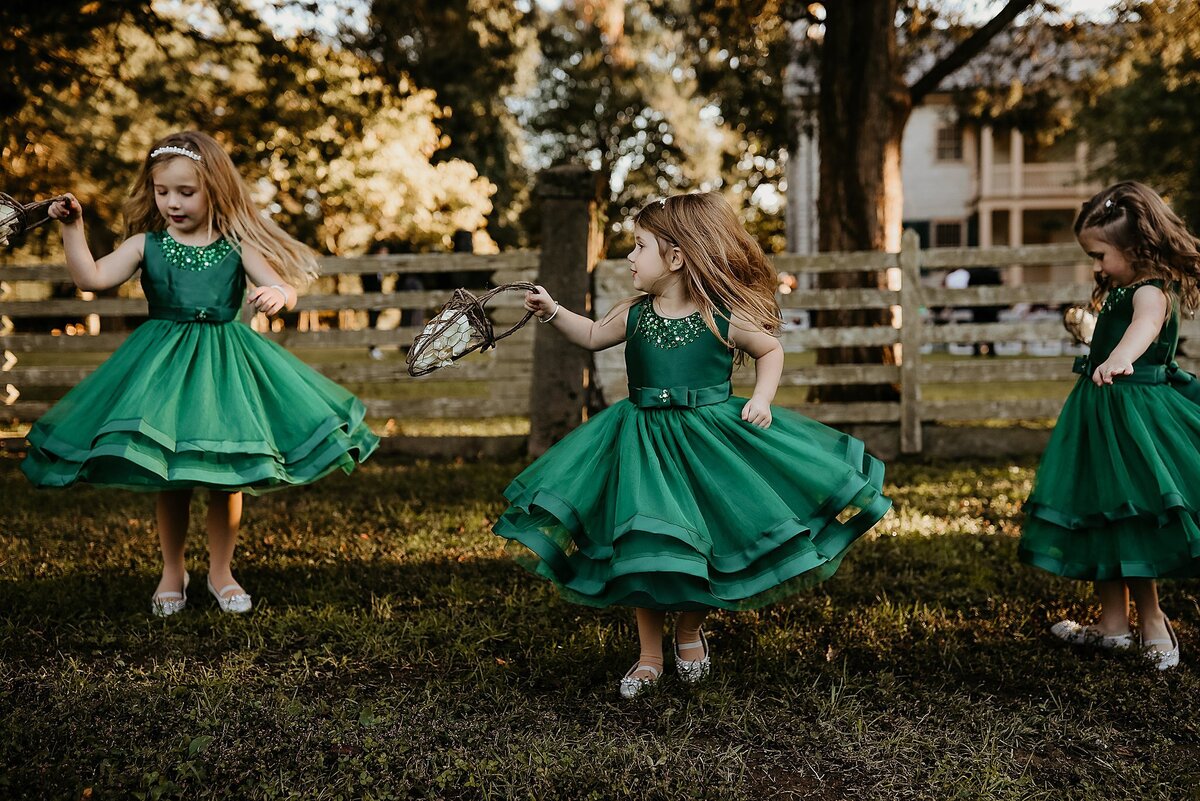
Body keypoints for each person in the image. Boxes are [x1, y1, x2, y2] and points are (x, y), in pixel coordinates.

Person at [493, 193, 892, 698]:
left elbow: (770, 348)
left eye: (639, 247)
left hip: (706, 443)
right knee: (642, 546)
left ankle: (687, 632)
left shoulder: (717, 317)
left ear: (676, 258)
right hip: (641, 443)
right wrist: (552, 311)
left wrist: (763, 399)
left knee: (702, 540)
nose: (630, 258)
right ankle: (648, 655)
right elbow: (593, 335)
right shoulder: (635, 315)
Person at [22, 131, 379, 616]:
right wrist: (72, 227)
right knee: (168, 473)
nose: (171, 202)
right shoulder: (145, 244)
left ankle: (220, 571)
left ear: (214, 188)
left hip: (224, 367)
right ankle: (172, 572)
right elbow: (91, 279)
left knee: (226, 475)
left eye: (185, 192)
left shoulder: (235, 245)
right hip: (161, 368)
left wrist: (279, 296)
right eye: (161, 191)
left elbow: (281, 285)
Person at [1020, 181, 1200, 671]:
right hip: (1101, 411)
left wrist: (1119, 356)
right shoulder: (1123, 290)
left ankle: (1155, 623)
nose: (1096, 267)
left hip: (1136, 416)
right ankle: (1114, 626)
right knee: (1102, 512)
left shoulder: (1152, 292)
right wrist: (1091, 332)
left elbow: (1144, 330)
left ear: (1137, 247)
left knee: (1132, 516)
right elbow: (1116, 333)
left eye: (1099, 255)